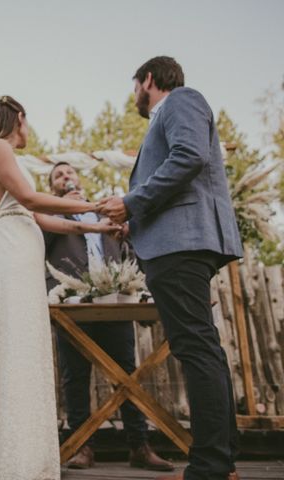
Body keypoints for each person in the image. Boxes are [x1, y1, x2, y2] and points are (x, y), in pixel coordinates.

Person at [0, 96, 121, 480]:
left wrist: (94, 225)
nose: (30, 130)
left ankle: (26, 453)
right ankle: (11, 461)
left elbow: (39, 216)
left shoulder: (2, 155)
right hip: (11, 256)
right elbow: (30, 199)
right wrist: (95, 203)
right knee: (14, 346)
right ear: (19, 118)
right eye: (29, 121)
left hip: (21, 255)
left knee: (25, 350)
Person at [99, 56, 243, 480]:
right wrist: (134, 222)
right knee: (203, 350)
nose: (134, 98)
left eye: (135, 88)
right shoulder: (171, 114)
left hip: (182, 245)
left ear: (148, 80)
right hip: (177, 242)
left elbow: (189, 157)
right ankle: (223, 462)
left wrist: (130, 203)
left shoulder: (181, 100)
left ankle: (210, 467)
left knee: (197, 350)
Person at [44, 161, 174, 472]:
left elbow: (129, 251)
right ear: (52, 188)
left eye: (70, 172)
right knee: (75, 379)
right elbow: (39, 245)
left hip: (115, 301)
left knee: (127, 374)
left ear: (79, 177)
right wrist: (61, 210)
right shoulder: (49, 216)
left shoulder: (105, 213)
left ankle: (139, 446)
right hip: (71, 307)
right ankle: (82, 447)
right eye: (59, 175)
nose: (66, 176)